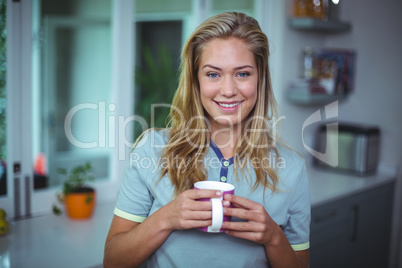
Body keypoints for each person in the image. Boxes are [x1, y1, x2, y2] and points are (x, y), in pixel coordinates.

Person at [104, 12, 310, 268]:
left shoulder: (292, 168)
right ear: (195, 81)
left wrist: (273, 238)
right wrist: (166, 218)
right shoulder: (151, 150)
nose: (228, 90)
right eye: (213, 74)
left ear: (260, 79)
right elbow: (113, 261)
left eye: (242, 74)